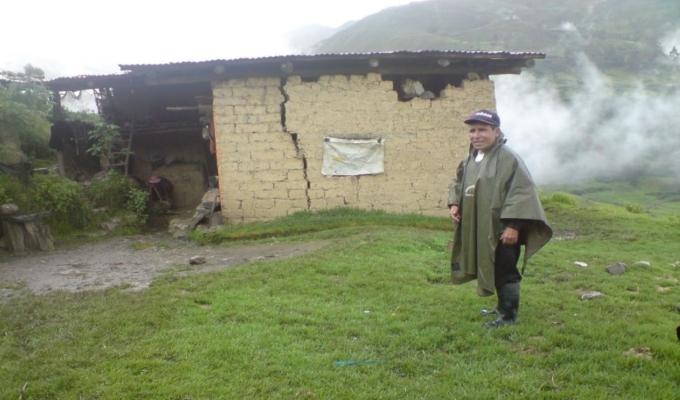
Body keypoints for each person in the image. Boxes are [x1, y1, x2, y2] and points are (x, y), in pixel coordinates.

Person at [448, 109, 552, 328]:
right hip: (480, 225)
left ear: (496, 132)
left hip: (502, 228)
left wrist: (514, 226)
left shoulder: (508, 158)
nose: (476, 135)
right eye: (472, 130)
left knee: (505, 268)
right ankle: (501, 307)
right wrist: (455, 203)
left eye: (482, 130)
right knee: (491, 265)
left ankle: (509, 315)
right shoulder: (471, 159)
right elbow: (459, 182)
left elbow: (522, 191)